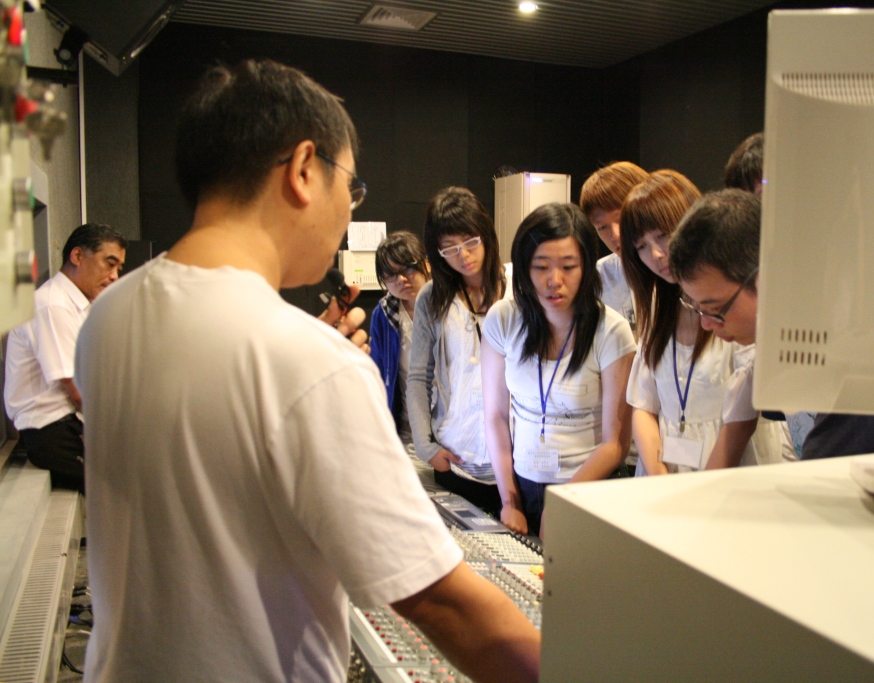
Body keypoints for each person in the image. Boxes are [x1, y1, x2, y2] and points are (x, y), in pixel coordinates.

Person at [74, 60, 539, 683]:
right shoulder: (312, 362)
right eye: (351, 186)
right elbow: (439, 602)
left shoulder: (108, 317)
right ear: (301, 171)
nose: (348, 208)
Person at [669, 189, 874, 460]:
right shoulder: (785, 352)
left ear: (767, 278)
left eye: (715, 309)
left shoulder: (853, 372)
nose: (707, 324)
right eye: (698, 309)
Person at [619, 171, 791, 475]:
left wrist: (698, 492)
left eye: (662, 235)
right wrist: (659, 478)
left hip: (731, 471)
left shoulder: (737, 306)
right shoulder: (658, 306)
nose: (656, 254)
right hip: (668, 471)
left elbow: (741, 421)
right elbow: (643, 404)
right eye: (641, 246)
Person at [482, 203, 635, 537]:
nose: (555, 280)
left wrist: (562, 504)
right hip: (523, 485)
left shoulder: (611, 331)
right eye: (541, 267)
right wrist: (509, 500)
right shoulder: (502, 319)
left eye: (568, 266)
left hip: (590, 489)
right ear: (524, 267)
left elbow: (616, 444)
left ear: (586, 267)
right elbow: (495, 416)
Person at [408, 187, 512, 515]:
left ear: (486, 234)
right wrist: (425, 447)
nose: (463, 255)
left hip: (516, 457)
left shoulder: (517, 286)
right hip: (455, 454)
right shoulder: (432, 297)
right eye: (449, 248)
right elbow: (418, 377)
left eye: (470, 242)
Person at [4, 222, 126, 492]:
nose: (115, 276)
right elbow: (78, 390)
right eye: (109, 264)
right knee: (130, 486)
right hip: (50, 433)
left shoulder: (81, 306)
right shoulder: (52, 304)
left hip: (72, 424)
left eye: (119, 268)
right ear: (78, 256)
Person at [370, 231, 430, 443]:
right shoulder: (384, 313)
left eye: (408, 268)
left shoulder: (449, 304)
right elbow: (377, 373)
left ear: (427, 264)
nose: (401, 280)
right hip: (405, 428)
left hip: (450, 428)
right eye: (391, 275)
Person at [578, 161, 650, 329]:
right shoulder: (598, 278)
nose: (615, 235)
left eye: (621, 219)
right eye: (602, 227)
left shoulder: (679, 272)